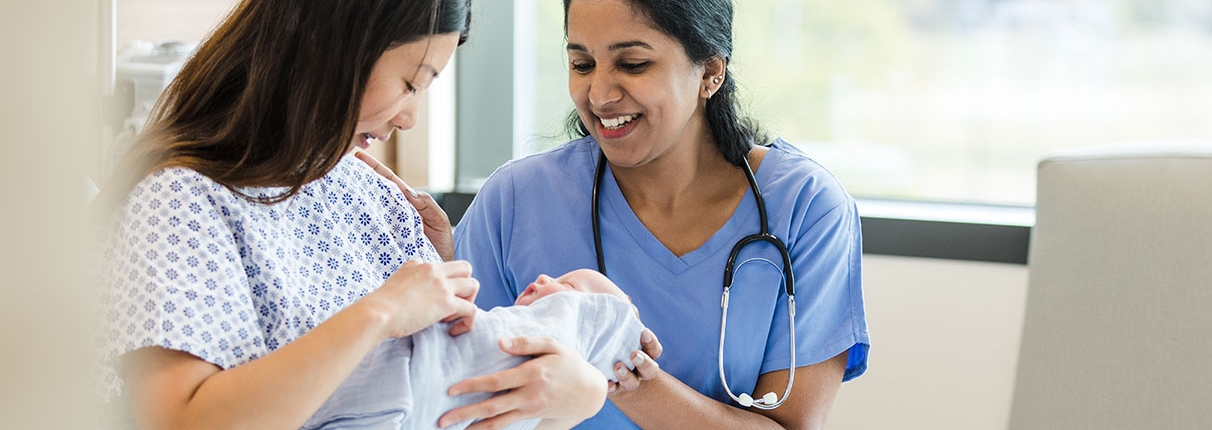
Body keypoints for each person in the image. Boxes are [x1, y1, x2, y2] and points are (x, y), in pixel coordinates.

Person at [97, 1, 609, 429]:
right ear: (331, 53)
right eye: (411, 83)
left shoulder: (371, 196)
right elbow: (184, 419)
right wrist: (377, 314)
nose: (410, 118)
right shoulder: (180, 203)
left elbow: (446, 390)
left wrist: (577, 391)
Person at [446, 0, 871, 428]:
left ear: (710, 72)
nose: (599, 95)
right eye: (582, 63)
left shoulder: (806, 207)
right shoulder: (517, 199)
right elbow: (452, 391)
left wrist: (626, 372)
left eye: (632, 64)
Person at [304, 269, 646, 430]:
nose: (544, 277)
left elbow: (605, 322)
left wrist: (592, 386)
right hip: (394, 375)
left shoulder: (572, 327)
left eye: (568, 285)